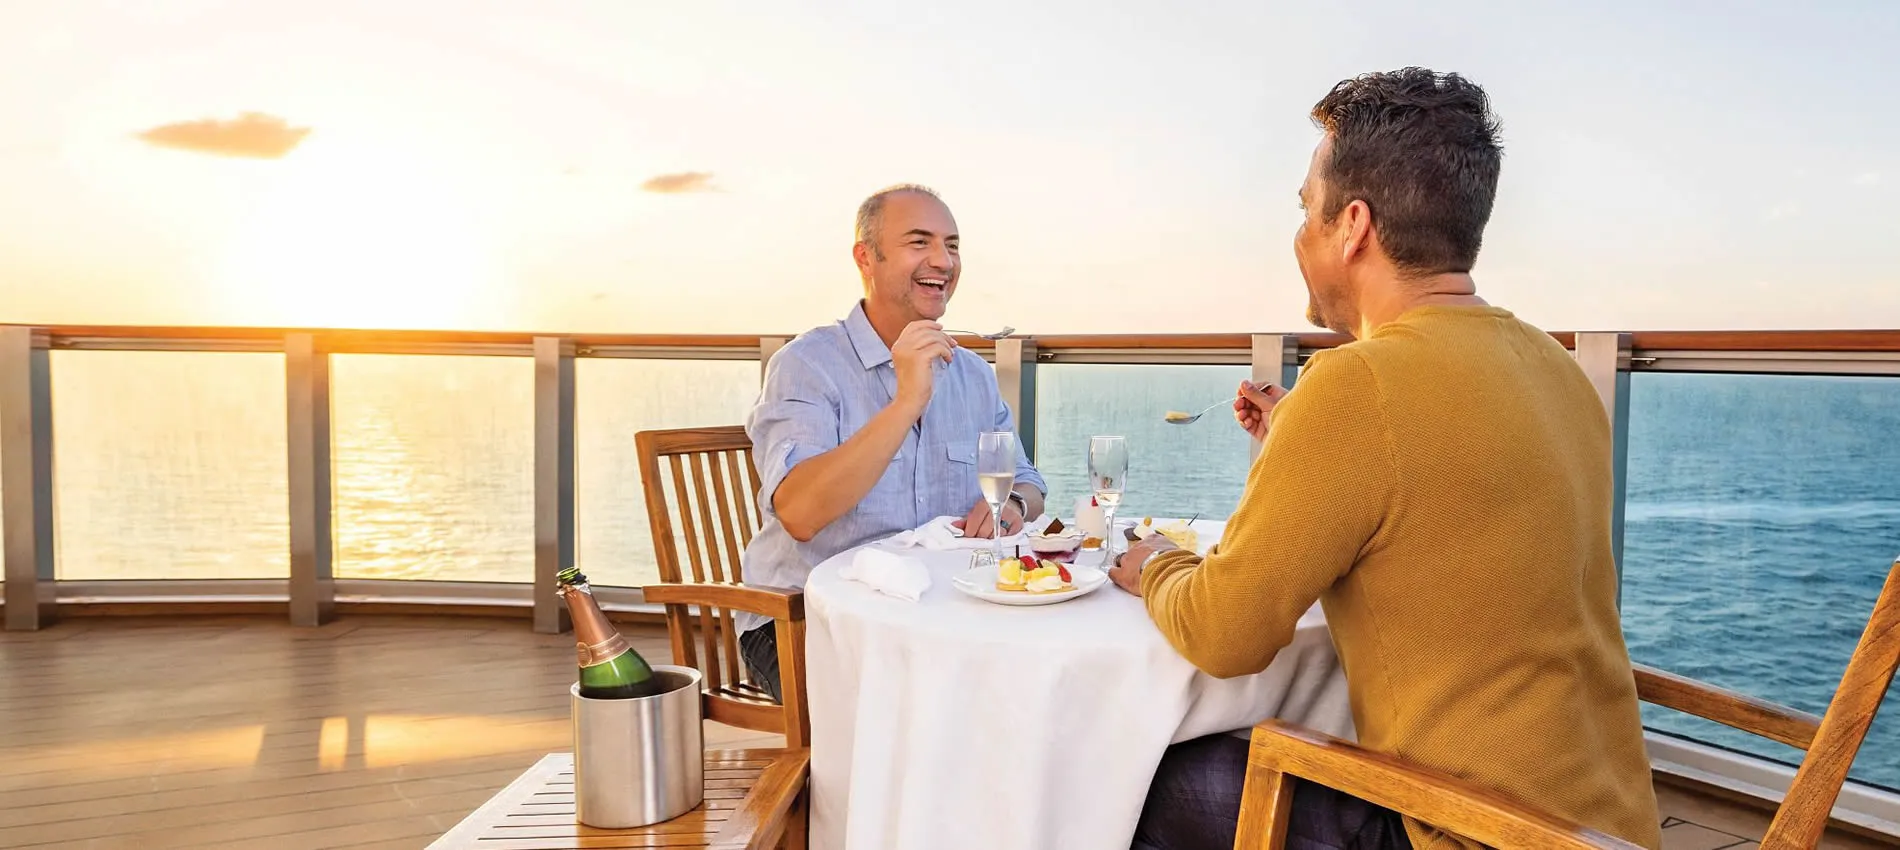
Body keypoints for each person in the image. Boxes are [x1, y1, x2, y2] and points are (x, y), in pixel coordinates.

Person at [1109, 68, 1662, 850]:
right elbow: (1446, 519)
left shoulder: (1354, 388)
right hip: (1602, 831)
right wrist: (1300, 443)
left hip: (1472, 833)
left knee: (1148, 779)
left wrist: (1157, 562)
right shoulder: (1552, 365)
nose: (1299, 232)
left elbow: (1224, 633)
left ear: (1353, 226)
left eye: (1306, 209)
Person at [735, 183, 1046, 701]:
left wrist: (1010, 505)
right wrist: (906, 401)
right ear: (866, 257)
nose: (942, 260)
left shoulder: (972, 374)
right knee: (945, 704)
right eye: (919, 242)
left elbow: (1031, 485)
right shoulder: (806, 365)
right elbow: (800, 512)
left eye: (952, 244)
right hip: (805, 623)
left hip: (935, 618)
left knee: (1034, 683)